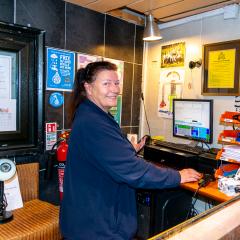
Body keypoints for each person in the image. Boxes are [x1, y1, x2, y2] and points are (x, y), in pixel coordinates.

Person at [59, 61, 201, 239]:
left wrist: (127, 148)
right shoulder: (93, 123)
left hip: (87, 219)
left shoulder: (91, 114)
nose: (115, 89)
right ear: (88, 87)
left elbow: (103, 153)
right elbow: (133, 170)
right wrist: (178, 176)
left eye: (117, 83)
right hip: (96, 227)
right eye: (106, 83)